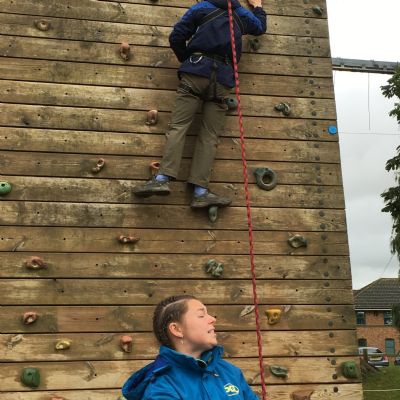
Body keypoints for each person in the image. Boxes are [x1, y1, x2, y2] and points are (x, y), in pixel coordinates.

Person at [133, 0, 267, 209]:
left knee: (179, 126)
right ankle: (200, 192)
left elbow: (177, 36)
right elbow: (259, 28)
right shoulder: (241, 14)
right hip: (222, 79)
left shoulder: (201, 8)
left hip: (195, 72)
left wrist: (189, 60)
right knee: (210, 135)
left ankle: (162, 179)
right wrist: (258, 7)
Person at [121, 294, 259, 399]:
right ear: (177, 329)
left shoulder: (230, 372)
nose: (212, 319)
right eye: (201, 315)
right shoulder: (162, 386)